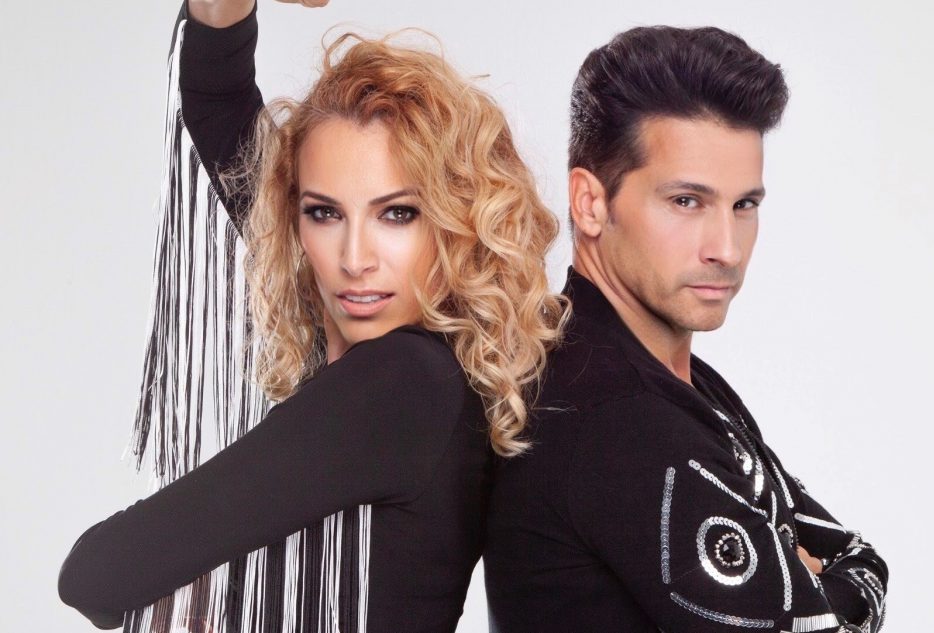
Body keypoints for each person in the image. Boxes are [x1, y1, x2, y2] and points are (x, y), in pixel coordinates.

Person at [57, 1, 566, 631]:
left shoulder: (402, 384)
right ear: (292, 220)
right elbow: (215, 101)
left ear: (456, 222)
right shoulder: (426, 379)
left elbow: (96, 574)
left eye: (398, 214)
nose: (354, 259)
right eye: (324, 213)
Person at [483, 26, 888, 633]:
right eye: (686, 202)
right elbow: (843, 593)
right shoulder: (615, 416)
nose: (726, 248)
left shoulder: (678, 384)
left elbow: (862, 560)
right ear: (590, 203)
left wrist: (810, 585)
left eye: (744, 205)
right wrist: (804, 575)